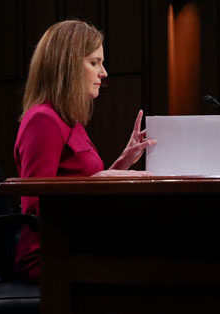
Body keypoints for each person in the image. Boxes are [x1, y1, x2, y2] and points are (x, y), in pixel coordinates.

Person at [14, 20, 156, 284]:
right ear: (66, 65)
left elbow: (84, 187)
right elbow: (33, 206)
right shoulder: (43, 120)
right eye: (95, 62)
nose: (103, 72)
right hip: (49, 253)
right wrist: (99, 179)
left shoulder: (69, 120)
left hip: (77, 240)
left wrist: (122, 163)